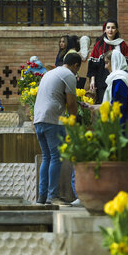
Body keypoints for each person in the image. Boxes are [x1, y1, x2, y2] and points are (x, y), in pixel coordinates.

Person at [33, 53, 82, 205]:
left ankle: (42, 197)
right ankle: (52, 196)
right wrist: (74, 119)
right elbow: (71, 103)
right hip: (52, 120)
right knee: (56, 157)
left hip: (38, 119)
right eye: (77, 69)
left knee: (47, 157)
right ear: (75, 65)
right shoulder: (68, 75)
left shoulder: (50, 73)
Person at [104, 49, 128, 192]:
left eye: (107, 62)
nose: (105, 66)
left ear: (114, 62)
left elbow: (118, 106)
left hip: (122, 128)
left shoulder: (120, 80)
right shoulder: (122, 79)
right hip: (125, 127)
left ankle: (123, 192)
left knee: (121, 160)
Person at [87, 19, 128, 105]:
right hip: (101, 82)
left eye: (113, 28)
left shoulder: (122, 44)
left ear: (116, 30)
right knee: (103, 105)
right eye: (108, 28)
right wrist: (92, 80)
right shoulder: (99, 44)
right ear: (105, 30)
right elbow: (92, 65)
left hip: (117, 82)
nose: (110, 30)